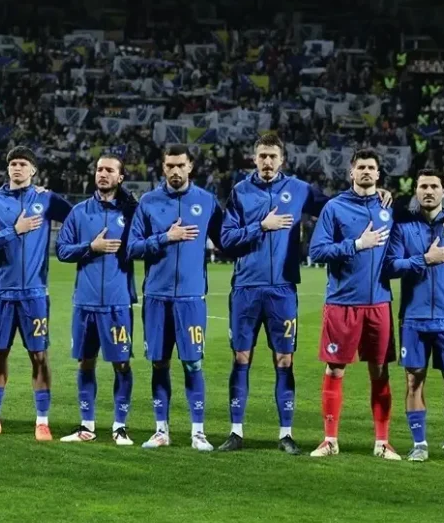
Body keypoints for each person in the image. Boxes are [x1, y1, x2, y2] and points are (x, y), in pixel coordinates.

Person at [219, 133, 392, 454]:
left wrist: (374, 192)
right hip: (245, 286)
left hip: (284, 288)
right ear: (254, 159)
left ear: (282, 159)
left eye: (272, 156)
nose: (267, 162)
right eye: (262, 156)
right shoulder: (240, 192)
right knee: (241, 357)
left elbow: (339, 205)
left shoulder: (299, 189)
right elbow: (226, 240)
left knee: (285, 359)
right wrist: (261, 226)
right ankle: (235, 431)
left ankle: (286, 434)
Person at [0, 146, 73, 440]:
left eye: (23, 164)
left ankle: (42, 421)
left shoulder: (46, 199)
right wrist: (15, 230)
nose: (17, 168)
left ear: (33, 170)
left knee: (39, 355)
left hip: (35, 293)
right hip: (1, 293)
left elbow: (78, 217)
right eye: (13, 163)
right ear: (8, 168)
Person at [384, 170, 444, 465]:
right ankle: (419, 445)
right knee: (413, 381)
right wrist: (425, 260)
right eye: (423, 186)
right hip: (413, 319)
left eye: (434, 186)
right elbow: (390, 266)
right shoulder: (403, 226)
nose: (428, 191)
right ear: (416, 191)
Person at [128, 144, 223, 450]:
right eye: (170, 165)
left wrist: (260, 230)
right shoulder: (148, 202)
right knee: (159, 363)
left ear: (190, 166)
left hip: (191, 298)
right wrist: (165, 237)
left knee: (193, 363)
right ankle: (161, 431)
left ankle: (198, 433)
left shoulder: (207, 201)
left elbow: (227, 240)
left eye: (181, 165)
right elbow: (132, 248)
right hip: (156, 296)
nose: (175, 171)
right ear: (163, 167)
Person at [307, 149, 399, 459]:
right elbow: (317, 251)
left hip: (379, 302)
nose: (366, 172)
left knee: (380, 370)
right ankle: (330, 440)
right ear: (351, 172)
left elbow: (428, 210)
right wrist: (358, 244)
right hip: (342, 302)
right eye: (361, 167)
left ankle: (382, 443)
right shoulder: (335, 207)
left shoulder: (388, 208)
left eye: (372, 167)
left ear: (379, 174)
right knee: (335, 370)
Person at [56, 154, 138, 445]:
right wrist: (91, 247)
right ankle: (87, 426)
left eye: (109, 170)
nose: (103, 174)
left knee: (122, 364)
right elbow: (61, 250)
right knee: (85, 363)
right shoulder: (79, 212)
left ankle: (120, 426)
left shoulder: (131, 212)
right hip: (85, 303)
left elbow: (143, 245)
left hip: (117, 303)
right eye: (99, 169)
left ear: (120, 177)